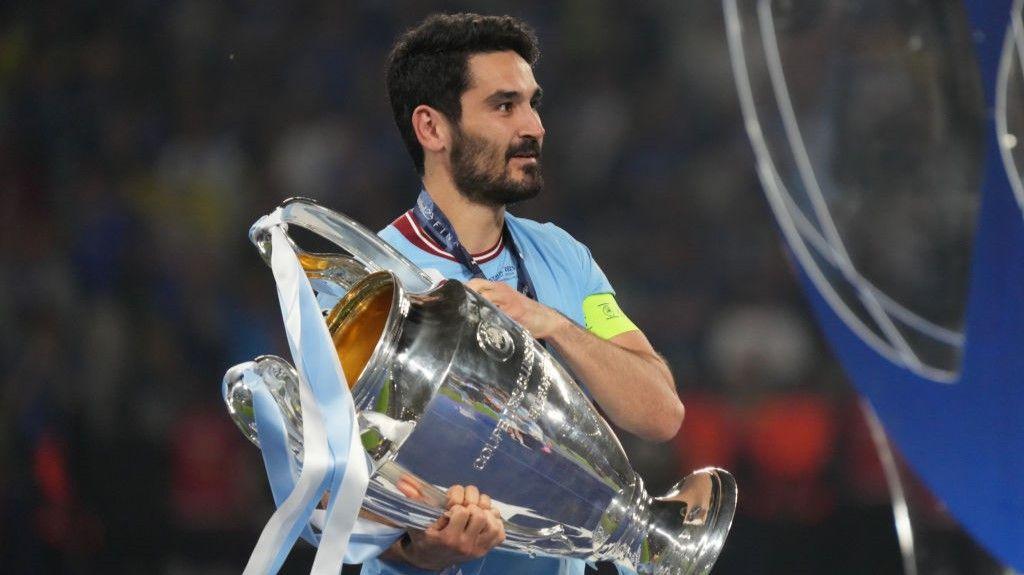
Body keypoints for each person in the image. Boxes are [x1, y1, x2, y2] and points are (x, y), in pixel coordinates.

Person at [360, 13, 685, 575]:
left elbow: (661, 413)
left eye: (533, 103)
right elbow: (324, 489)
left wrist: (554, 325)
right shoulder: (370, 281)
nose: (534, 126)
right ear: (432, 128)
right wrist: (424, 551)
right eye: (504, 106)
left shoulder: (564, 256)